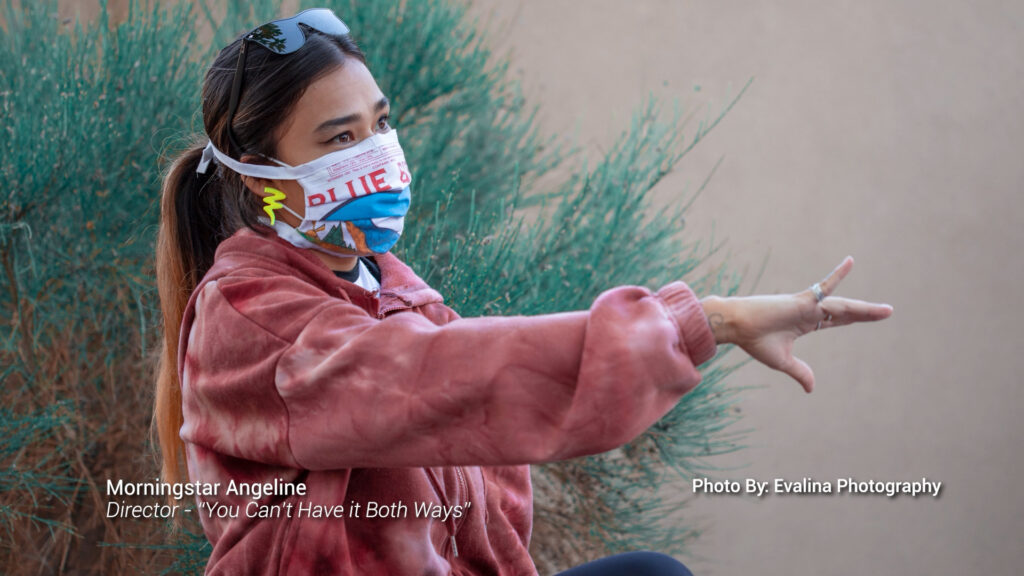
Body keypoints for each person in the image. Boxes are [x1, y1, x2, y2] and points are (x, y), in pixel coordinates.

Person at [152, 8, 893, 576]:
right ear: (257, 174)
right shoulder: (249, 316)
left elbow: (485, 483)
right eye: (339, 140)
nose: (378, 153)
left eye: (381, 124)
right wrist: (710, 319)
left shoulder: (401, 295)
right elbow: (446, 379)